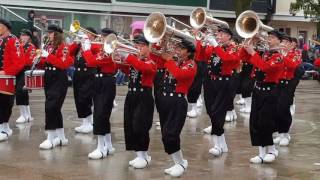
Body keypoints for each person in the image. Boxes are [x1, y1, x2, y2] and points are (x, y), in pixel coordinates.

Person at [242, 30, 284, 164]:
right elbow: (244, 57)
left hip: (270, 91)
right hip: (258, 90)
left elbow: (265, 67)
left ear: (279, 41)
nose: (269, 39)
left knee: (265, 123)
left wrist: (253, 52)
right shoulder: (264, 53)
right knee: (255, 122)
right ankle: (261, 153)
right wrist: (250, 42)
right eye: (269, 37)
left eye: (272, 37)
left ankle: (271, 150)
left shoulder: (278, 56)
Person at [158, 38, 196, 177]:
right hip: (166, 100)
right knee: (165, 134)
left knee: (171, 134)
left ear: (189, 52)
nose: (178, 50)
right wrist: (162, 47)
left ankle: (180, 163)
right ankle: (178, 162)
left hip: (178, 102)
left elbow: (179, 75)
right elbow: (158, 60)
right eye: (177, 48)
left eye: (181, 48)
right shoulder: (175, 61)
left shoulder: (191, 65)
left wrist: (169, 60)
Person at [119, 34, 156, 169]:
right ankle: (141, 155)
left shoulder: (151, 61)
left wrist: (128, 57)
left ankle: (143, 156)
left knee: (140, 126)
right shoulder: (135, 60)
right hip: (131, 95)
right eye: (137, 45)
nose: (138, 48)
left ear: (148, 47)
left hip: (143, 96)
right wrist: (118, 57)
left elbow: (144, 68)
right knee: (130, 125)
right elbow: (125, 69)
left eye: (141, 46)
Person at [203, 27, 240, 157]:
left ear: (229, 36)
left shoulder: (234, 47)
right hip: (212, 81)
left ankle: (218, 145)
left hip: (225, 82)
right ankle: (222, 143)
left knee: (218, 112)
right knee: (211, 111)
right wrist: (201, 41)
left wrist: (214, 44)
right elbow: (202, 56)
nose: (219, 36)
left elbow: (227, 59)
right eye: (218, 34)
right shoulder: (216, 46)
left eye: (222, 34)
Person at [81, 27, 117, 159]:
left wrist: (86, 48)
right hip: (100, 81)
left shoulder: (109, 50)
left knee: (100, 115)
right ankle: (108, 145)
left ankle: (100, 148)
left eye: (103, 37)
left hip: (106, 82)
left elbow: (91, 62)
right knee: (102, 115)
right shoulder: (104, 49)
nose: (100, 39)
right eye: (101, 37)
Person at [38, 24, 74, 150]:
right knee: (55, 108)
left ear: (57, 34)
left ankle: (50, 138)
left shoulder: (63, 47)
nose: (48, 34)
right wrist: (39, 58)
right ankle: (62, 138)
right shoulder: (50, 46)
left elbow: (63, 64)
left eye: (51, 33)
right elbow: (46, 63)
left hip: (58, 77)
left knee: (51, 106)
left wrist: (47, 55)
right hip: (49, 76)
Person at [69, 27, 99, 134]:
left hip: (88, 73)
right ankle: (85, 122)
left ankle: (88, 123)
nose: (85, 34)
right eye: (85, 32)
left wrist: (87, 43)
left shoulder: (95, 44)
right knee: (78, 97)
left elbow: (94, 52)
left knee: (85, 97)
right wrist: (76, 42)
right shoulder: (80, 44)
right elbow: (69, 52)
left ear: (93, 36)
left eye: (88, 33)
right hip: (77, 73)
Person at [273, 36, 302, 146]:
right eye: (282, 41)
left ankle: (286, 134)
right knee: (276, 109)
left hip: (288, 84)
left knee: (283, 109)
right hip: (277, 83)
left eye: (285, 42)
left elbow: (292, 65)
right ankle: (280, 133)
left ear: (291, 44)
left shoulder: (295, 54)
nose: (283, 44)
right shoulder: (277, 54)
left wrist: (284, 55)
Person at [0, 19, 25, 142]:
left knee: (4, 103)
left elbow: (19, 63)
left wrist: (6, 72)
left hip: (8, 78)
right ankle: (3, 128)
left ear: (5, 27)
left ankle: (4, 129)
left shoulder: (13, 40)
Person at [15, 29, 36, 124]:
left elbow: (29, 61)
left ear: (28, 37)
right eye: (21, 35)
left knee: (21, 91)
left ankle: (24, 115)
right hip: (18, 70)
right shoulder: (18, 45)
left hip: (26, 70)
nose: (22, 37)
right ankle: (26, 115)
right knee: (20, 92)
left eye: (24, 35)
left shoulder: (31, 47)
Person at [187, 34, 207, 118]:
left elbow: (200, 51)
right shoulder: (194, 38)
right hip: (194, 61)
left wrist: (200, 39)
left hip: (199, 62)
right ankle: (193, 107)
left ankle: (194, 109)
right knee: (192, 85)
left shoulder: (202, 39)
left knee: (195, 85)